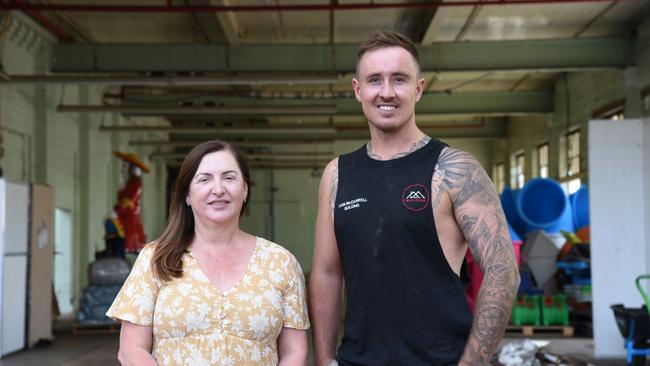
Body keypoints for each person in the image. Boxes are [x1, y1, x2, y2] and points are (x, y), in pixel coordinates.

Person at [309, 30, 520, 366]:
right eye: (375, 80)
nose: (387, 92)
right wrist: (323, 360)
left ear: (418, 89)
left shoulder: (455, 169)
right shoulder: (337, 174)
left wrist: (472, 362)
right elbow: (326, 272)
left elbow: (502, 269)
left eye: (400, 79)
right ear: (357, 89)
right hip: (356, 360)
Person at [107, 140, 310, 366]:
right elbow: (130, 349)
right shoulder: (155, 258)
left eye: (229, 177)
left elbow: (295, 352)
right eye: (204, 179)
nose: (218, 189)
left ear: (245, 190)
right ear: (187, 195)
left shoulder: (280, 262)